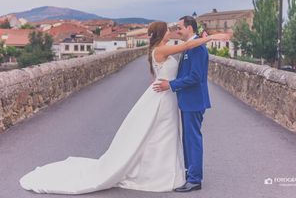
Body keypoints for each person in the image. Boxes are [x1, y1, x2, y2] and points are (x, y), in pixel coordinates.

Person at [19, 21, 213, 195]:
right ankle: (163, 173)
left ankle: (171, 172)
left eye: (177, 28)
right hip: (164, 96)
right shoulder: (162, 49)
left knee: (163, 134)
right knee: (159, 134)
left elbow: (181, 62)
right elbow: (187, 46)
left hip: (167, 95)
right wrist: (213, 37)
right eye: (170, 30)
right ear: (163, 34)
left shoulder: (162, 48)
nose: (173, 31)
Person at [153, 16, 211, 192]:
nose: (177, 31)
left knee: (192, 139)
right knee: (188, 138)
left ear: (190, 28)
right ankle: (190, 173)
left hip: (194, 100)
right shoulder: (189, 48)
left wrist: (170, 85)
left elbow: (195, 77)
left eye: (180, 28)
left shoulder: (197, 48)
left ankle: (194, 179)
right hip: (188, 100)